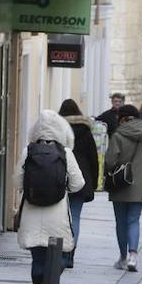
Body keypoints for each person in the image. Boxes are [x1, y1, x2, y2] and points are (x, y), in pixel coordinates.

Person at [15, 110, 85, 284]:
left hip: (31, 213)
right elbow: (78, 184)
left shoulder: (28, 151)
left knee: (37, 260)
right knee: (60, 257)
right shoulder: (66, 153)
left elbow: (17, 182)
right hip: (58, 215)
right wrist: (63, 189)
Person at [104, 103, 142, 271]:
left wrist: (111, 172)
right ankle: (133, 256)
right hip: (139, 186)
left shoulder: (118, 136)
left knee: (121, 221)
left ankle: (122, 258)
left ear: (122, 118)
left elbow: (110, 162)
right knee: (134, 220)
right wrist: (141, 175)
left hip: (120, 185)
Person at [58, 98, 98, 268]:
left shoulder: (58, 130)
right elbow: (93, 159)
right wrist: (94, 183)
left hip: (59, 176)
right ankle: (70, 253)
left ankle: (60, 251)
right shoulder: (86, 130)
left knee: (59, 217)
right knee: (75, 216)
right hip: (82, 179)